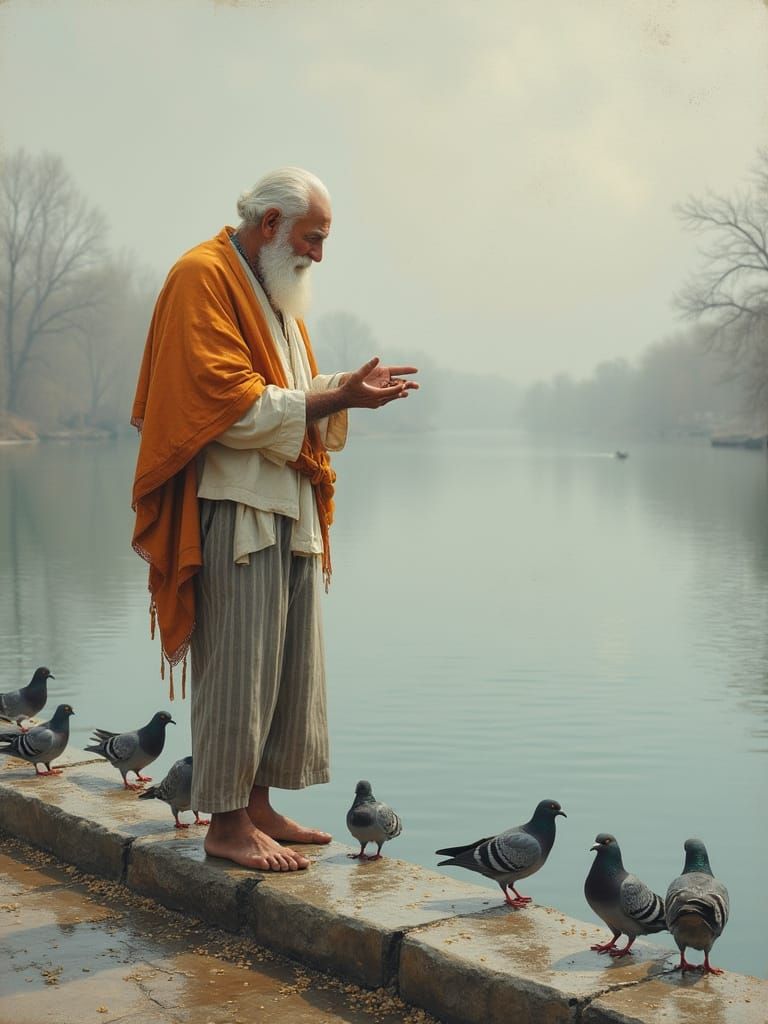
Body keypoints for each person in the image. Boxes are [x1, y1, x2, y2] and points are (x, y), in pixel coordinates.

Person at [130, 167, 418, 871]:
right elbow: (226, 405)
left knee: (286, 669)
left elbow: (282, 395)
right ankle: (225, 825)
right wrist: (329, 399)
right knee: (238, 668)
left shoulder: (273, 290)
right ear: (269, 226)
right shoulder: (201, 277)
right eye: (312, 238)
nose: (319, 254)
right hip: (234, 512)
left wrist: (345, 391)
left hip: (286, 507)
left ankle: (255, 805)